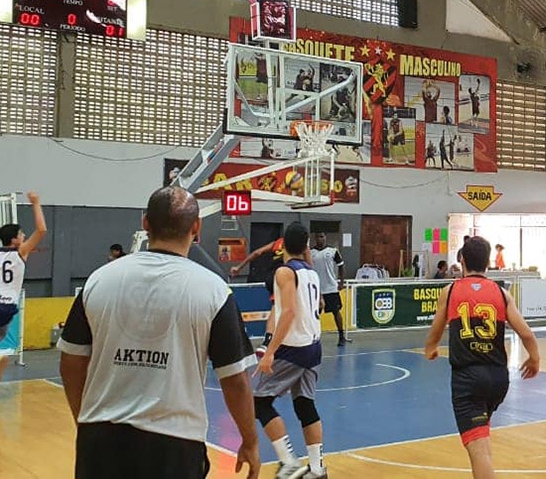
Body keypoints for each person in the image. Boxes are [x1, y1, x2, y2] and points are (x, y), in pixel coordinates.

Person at [58, 186, 259, 478]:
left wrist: (87, 421)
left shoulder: (99, 280)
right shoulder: (214, 290)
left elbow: (71, 362)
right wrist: (250, 440)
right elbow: (236, 380)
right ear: (197, 227)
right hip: (175, 444)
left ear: (145, 223)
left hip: (100, 440)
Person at [424, 236, 540, 479]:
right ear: (488, 263)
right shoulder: (501, 293)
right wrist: (534, 359)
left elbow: (436, 328)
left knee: (479, 452)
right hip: (498, 378)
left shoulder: (451, 290)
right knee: (482, 442)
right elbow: (526, 334)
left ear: (462, 260)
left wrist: (431, 347)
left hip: (469, 379)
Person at [253, 222, 327, 479]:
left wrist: (270, 350)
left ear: (283, 244)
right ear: (306, 246)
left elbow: (289, 311)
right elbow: (317, 304)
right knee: (305, 405)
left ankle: (289, 462)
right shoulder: (311, 272)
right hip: (314, 346)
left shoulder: (284, 272)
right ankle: (317, 469)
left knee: (259, 403)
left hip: (294, 348)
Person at [0, 192, 46, 380]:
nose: (24, 235)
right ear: (14, 239)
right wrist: (36, 203)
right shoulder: (21, 251)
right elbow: (41, 230)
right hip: (6, 306)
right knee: (2, 355)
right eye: (21, 234)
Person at [311, 232, 351, 347]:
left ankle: (341, 336)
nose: (320, 238)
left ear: (325, 237)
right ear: (315, 238)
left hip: (331, 288)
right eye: (318, 236)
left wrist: (341, 282)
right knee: (315, 314)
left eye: (322, 236)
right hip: (317, 289)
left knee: (336, 312)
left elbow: (341, 266)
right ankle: (314, 337)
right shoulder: (310, 252)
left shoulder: (333, 251)